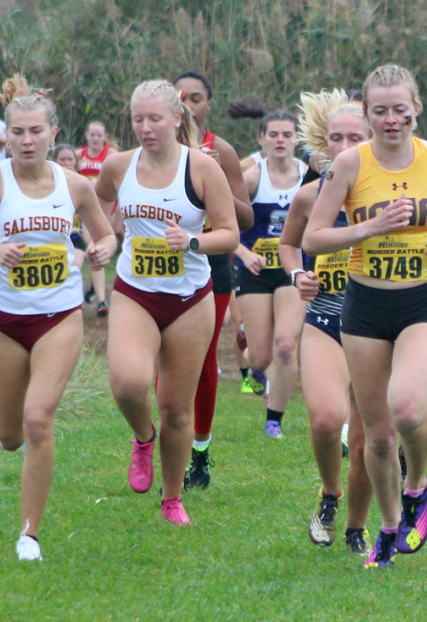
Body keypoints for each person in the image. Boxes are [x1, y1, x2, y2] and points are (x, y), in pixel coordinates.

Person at [304, 64, 427, 568]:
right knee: (377, 434)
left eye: (401, 109)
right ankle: (388, 526)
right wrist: (369, 227)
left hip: (422, 300)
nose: (391, 119)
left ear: (416, 109)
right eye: (380, 110)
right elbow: (314, 237)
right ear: (367, 113)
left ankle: (418, 484)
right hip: (365, 306)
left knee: (407, 409)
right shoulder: (349, 166)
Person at [0, 76, 116, 560]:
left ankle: (29, 535)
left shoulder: (76, 185)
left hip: (60, 316)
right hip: (4, 321)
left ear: (53, 133)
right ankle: (23, 453)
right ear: (8, 136)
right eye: (17, 132)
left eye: (35, 131)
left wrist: (101, 250)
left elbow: (105, 237)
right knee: (8, 436)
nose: (26, 141)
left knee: (38, 419)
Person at [94, 80, 238, 525]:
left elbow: (230, 233)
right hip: (135, 292)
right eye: (138, 119)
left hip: (190, 298)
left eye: (154, 118)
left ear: (177, 119)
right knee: (129, 384)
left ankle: (172, 499)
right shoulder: (118, 165)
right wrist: (103, 235)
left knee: (178, 410)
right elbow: (94, 200)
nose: (145, 128)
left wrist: (193, 240)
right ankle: (142, 437)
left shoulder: (202, 168)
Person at [280, 88, 373, 553]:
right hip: (326, 319)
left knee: (364, 440)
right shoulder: (309, 196)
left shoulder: (392, 196)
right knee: (324, 421)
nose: (343, 147)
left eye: (354, 137)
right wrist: (298, 274)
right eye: (335, 137)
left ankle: (356, 525)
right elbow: (287, 245)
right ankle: (330, 492)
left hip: (378, 323)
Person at [173, 70, 257, 489]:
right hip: (161, 265)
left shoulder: (219, 150)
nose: (187, 104)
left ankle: (200, 453)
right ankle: (166, 439)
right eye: (180, 97)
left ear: (208, 105)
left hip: (211, 264)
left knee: (205, 361)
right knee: (165, 360)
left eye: (196, 98)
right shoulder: (155, 149)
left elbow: (246, 218)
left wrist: (218, 180)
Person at [234, 110, 308, 438]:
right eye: (273, 135)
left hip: (293, 271)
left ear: (296, 140)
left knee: (286, 346)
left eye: (287, 135)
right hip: (255, 271)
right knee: (261, 358)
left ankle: (273, 419)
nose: (280, 140)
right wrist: (244, 253)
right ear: (261, 140)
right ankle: (249, 347)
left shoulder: (310, 177)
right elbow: (220, 222)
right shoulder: (251, 178)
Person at [77, 121, 114, 316]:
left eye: (99, 135)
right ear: (87, 135)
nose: (96, 138)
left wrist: (97, 183)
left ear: (105, 137)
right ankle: (101, 301)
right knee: (93, 245)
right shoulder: (78, 155)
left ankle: (95, 288)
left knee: (103, 244)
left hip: (108, 207)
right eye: (92, 134)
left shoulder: (111, 155)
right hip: (86, 209)